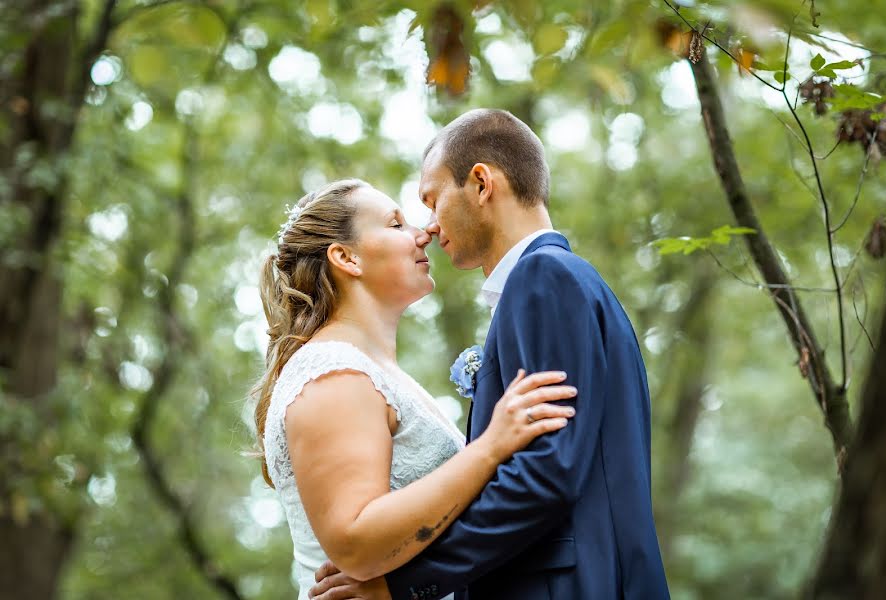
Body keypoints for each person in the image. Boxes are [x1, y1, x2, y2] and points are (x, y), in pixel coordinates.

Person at [309, 109, 670, 599]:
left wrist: (401, 586)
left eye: (432, 201)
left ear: (481, 183)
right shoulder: (568, 282)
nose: (429, 227)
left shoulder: (544, 279)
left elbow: (546, 472)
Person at [252, 177, 578, 600]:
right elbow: (355, 543)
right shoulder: (331, 371)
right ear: (346, 257)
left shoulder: (377, 373)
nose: (423, 233)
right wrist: (490, 447)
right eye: (395, 224)